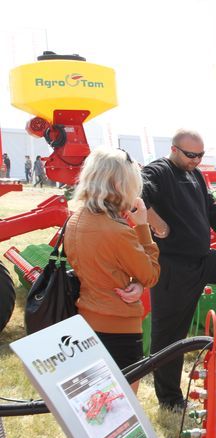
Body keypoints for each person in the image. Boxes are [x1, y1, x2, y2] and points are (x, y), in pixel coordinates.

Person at [141, 129, 216, 409]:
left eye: (200, 155)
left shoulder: (195, 175)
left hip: (201, 259)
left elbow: (213, 212)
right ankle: (170, 399)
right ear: (174, 149)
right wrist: (155, 222)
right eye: (191, 155)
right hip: (172, 265)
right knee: (170, 334)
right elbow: (135, 193)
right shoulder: (159, 170)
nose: (196, 161)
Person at [64, 147, 160, 385]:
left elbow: (107, 267)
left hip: (85, 320)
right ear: (120, 184)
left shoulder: (74, 220)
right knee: (123, 410)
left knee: (93, 405)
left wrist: (135, 282)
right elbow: (151, 274)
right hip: (119, 327)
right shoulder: (117, 231)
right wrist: (142, 227)